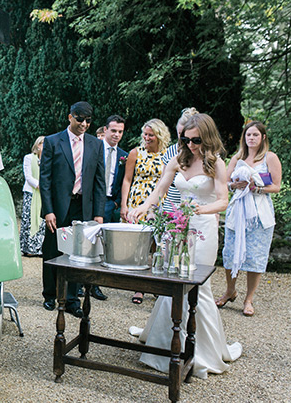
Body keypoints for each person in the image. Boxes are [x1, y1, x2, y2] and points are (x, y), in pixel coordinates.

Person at [128, 113, 242, 380]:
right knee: (171, 282)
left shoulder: (217, 164)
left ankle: (203, 352)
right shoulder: (177, 160)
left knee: (197, 288)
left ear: (207, 137)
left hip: (202, 229)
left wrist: (198, 209)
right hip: (176, 227)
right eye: (185, 139)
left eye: (196, 140)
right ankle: (164, 347)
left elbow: (223, 201)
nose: (190, 144)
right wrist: (144, 206)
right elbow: (159, 191)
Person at [39, 101, 105, 318]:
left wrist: (99, 213)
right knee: (52, 250)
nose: (84, 124)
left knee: (79, 253)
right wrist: (48, 210)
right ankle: (50, 295)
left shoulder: (96, 144)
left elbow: (99, 181)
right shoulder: (52, 141)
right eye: (80, 119)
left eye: (88, 121)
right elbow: (45, 179)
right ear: (70, 117)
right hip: (58, 206)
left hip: (83, 206)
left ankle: (72, 300)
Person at [217, 121, 282, 316]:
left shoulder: (270, 158)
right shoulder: (238, 157)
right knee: (229, 251)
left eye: (255, 135)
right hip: (238, 210)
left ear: (262, 137)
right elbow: (225, 182)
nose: (251, 138)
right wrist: (233, 186)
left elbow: (276, 186)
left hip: (259, 211)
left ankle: (249, 299)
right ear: (244, 138)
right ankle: (230, 290)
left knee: (256, 256)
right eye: (248, 135)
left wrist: (257, 188)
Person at [120, 118, 170, 304]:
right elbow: (127, 179)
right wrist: (124, 205)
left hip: (158, 204)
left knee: (158, 246)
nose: (147, 138)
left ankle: (155, 284)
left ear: (159, 136)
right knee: (140, 246)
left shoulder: (167, 155)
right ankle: (138, 287)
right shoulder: (136, 153)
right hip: (137, 202)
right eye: (145, 134)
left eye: (151, 135)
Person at [87, 115, 127, 301]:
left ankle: (96, 285)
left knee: (104, 245)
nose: (117, 135)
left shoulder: (124, 155)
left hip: (111, 203)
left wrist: (118, 201)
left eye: (120, 131)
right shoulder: (94, 149)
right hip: (93, 201)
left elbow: (125, 180)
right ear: (105, 130)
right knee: (88, 243)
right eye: (113, 131)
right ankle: (80, 283)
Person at [161, 107, 199, 213]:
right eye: (179, 133)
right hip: (171, 206)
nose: (181, 138)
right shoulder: (171, 151)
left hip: (195, 207)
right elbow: (163, 183)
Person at [20, 136, 46, 256]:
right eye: (42, 143)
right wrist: (39, 185)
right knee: (28, 220)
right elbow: (28, 176)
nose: (44, 146)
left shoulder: (48, 159)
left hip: (44, 194)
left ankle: (38, 248)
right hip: (31, 192)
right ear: (37, 145)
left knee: (41, 221)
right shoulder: (29, 158)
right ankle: (27, 248)